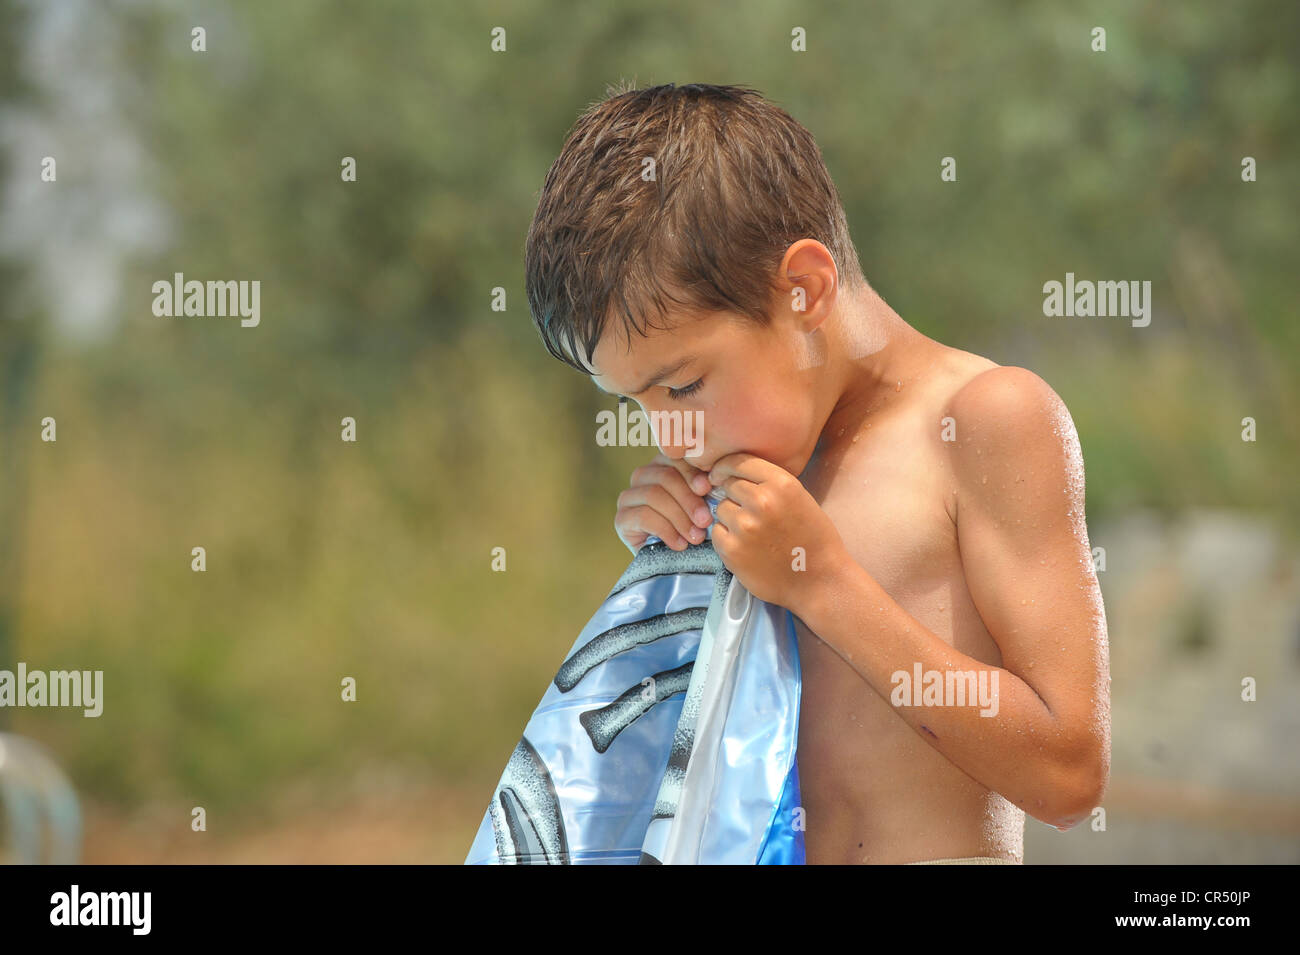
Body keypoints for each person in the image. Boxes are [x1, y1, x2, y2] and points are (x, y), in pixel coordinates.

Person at [523, 82, 1110, 864]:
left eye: (686, 385)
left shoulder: (984, 421)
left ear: (804, 289)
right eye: (638, 402)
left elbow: (1070, 773)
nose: (673, 436)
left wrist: (823, 583)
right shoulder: (743, 476)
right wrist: (668, 583)